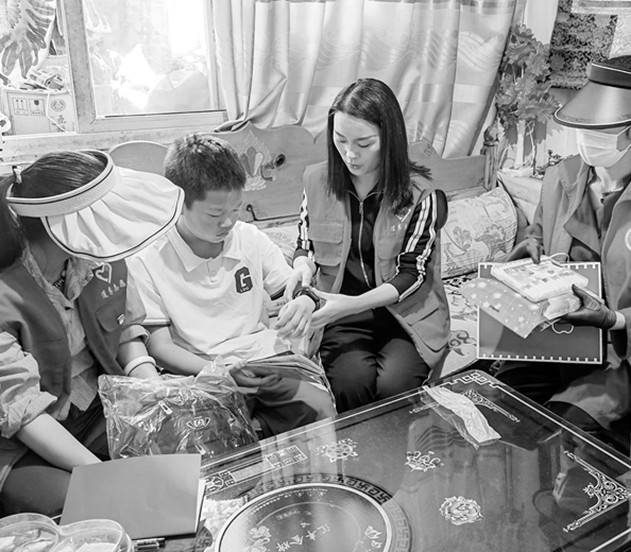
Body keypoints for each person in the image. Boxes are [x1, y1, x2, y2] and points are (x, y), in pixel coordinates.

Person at [496, 55, 631, 435]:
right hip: (556, 335)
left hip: (624, 351)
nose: (587, 137)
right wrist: (530, 248)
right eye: (584, 126)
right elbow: (539, 232)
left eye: (601, 129)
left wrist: (615, 320)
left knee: (566, 428)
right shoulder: (560, 176)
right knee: (498, 404)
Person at [0, 150, 183, 516]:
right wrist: (103, 473)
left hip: (98, 407)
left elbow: (125, 328)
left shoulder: (97, 258)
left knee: (181, 451)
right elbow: (22, 411)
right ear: (64, 222)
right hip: (23, 441)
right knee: (94, 505)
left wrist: (152, 390)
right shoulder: (7, 292)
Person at [129, 134, 336, 437]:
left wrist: (304, 300)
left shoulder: (248, 238)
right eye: (215, 214)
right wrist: (218, 373)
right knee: (212, 435)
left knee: (318, 407)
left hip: (264, 360)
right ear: (177, 203)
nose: (227, 223)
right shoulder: (148, 259)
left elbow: (292, 287)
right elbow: (161, 348)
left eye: (235, 209)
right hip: (200, 372)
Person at [278, 78, 450, 412]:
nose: (350, 154)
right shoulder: (316, 181)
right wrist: (302, 268)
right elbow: (306, 246)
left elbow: (412, 274)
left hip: (406, 315)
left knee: (395, 388)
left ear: (389, 139)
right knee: (349, 385)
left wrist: (351, 304)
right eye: (340, 140)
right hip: (341, 313)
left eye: (364, 143)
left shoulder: (421, 193)